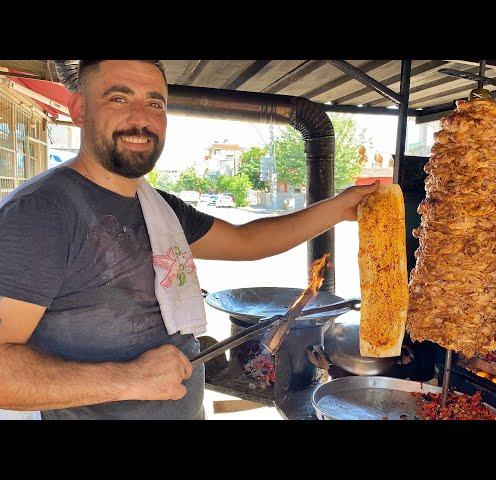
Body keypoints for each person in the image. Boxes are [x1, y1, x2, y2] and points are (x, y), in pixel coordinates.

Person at [0, 60, 378, 419]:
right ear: (79, 109)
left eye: (155, 103)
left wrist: (338, 209)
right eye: (119, 98)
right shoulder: (40, 212)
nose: (141, 119)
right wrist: (129, 378)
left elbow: (247, 241)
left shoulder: (158, 208)